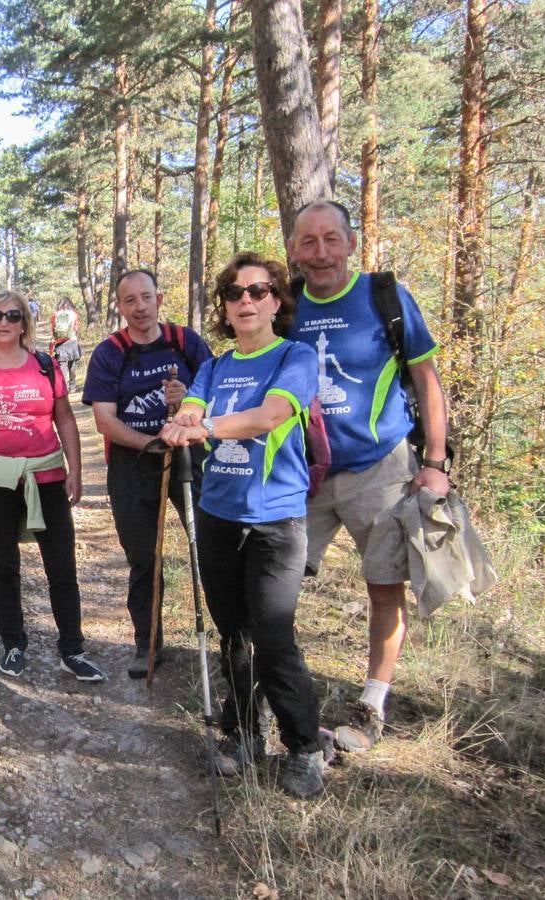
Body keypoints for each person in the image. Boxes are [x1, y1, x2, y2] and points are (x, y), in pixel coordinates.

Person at [286, 200, 450, 753]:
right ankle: (278, 691)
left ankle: (373, 702)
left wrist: (434, 462)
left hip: (379, 470)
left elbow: (426, 380)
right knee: (274, 585)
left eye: (331, 239)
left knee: (384, 586)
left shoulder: (384, 297)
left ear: (351, 243)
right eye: (308, 242)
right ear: (293, 250)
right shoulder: (284, 306)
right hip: (302, 473)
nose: (321, 253)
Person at [160, 251, 325, 798]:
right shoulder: (213, 366)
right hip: (218, 515)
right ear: (225, 309)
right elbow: (191, 411)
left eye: (258, 291)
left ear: (277, 300)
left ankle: (303, 747)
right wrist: (182, 418)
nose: (246, 301)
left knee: (275, 638)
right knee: (233, 632)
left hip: (275, 519)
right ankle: (244, 734)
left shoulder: (294, 358)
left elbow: (270, 416)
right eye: (235, 294)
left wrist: (202, 423)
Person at [0, 292, 106, 682]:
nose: (4, 321)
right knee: (4, 566)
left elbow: (64, 420)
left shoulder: (46, 367)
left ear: (24, 323)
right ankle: (13, 645)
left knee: (61, 565)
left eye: (13, 315)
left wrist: (75, 470)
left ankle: (72, 649)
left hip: (46, 476)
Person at [82, 269, 212, 678]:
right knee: (142, 556)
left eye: (146, 297)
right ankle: (148, 643)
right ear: (120, 307)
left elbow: (216, 392)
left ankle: (232, 643)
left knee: (211, 548)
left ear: (158, 298)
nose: (139, 307)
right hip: (133, 462)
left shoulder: (185, 342)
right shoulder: (109, 353)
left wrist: (188, 397)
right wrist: (150, 443)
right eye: (130, 300)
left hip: (189, 456)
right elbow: (105, 420)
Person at [49, 297, 83, 391]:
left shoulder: (55, 314)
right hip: (72, 341)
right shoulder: (74, 314)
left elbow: (52, 328)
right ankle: (73, 386)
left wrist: (57, 337)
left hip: (60, 343)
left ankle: (64, 387)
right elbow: (76, 328)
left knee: (62, 366)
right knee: (72, 365)